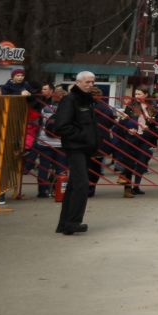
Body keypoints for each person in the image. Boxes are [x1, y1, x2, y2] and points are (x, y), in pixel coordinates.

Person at [49, 71, 103, 234]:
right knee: (81, 184)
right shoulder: (70, 100)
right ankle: (73, 222)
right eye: (87, 82)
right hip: (75, 147)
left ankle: (64, 223)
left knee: (74, 185)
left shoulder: (87, 100)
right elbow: (61, 125)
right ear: (78, 82)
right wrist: (83, 136)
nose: (90, 85)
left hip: (85, 148)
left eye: (92, 82)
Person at [117, 89, 158, 196]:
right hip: (132, 137)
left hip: (145, 138)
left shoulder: (152, 107)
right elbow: (124, 121)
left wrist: (151, 121)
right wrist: (128, 129)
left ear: (146, 94)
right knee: (129, 163)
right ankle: (127, 188)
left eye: (139, 93)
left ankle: (136, 186)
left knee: (142, 162)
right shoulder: (131, 106)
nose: (136, 95)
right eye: (136, 94)